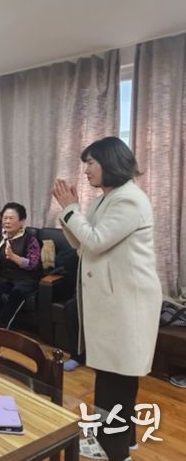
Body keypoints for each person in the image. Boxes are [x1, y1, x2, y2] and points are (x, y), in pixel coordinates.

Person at [53, 136, 162, 461]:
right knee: (114, 374)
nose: (86, 170)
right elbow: (82, 243)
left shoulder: (129, 200)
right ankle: (122, 440)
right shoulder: (106, 199)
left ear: (110, 162)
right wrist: (70, 213)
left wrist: (70, 209)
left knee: (116, 378)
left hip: (128, 303)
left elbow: (96, 241)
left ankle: (114, 450)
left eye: (91, 163)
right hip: (115, 301)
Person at [0, 202, 41, 330]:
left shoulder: (30, 239)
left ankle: (0, 326)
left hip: (25, 280)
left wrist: (14, 257)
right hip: (5, 278)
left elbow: (33, 265)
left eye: (11, 218)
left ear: (21, 221)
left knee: (17, 292)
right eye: (5, 218)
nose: (7, 222)